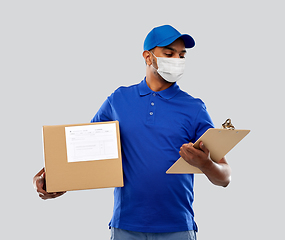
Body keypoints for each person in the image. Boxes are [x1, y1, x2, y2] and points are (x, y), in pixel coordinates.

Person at [33, 25, 231, 240]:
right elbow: (83, 151)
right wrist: (45, 179)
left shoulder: (194, 108)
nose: (177, 59)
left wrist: (205, 164)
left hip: (177, 227)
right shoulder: (118, 100)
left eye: (182, 55)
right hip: (125, 226)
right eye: (169, 53)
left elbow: (225, 177)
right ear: (148, 57)